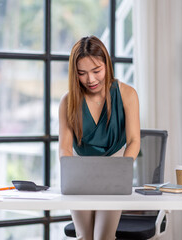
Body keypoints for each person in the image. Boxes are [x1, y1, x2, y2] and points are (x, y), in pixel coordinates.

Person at [58, 35, 140, 240]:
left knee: (103, 237)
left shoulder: (128, 94)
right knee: (84, 236)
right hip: (80, 175)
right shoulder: (68, 102)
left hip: (115, 172)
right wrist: (70, 174)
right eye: (82, 73)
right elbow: (65, 148)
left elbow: (133, 141)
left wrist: (121, 171)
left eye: (97, 71)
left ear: (107, 65)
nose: (91, 80)